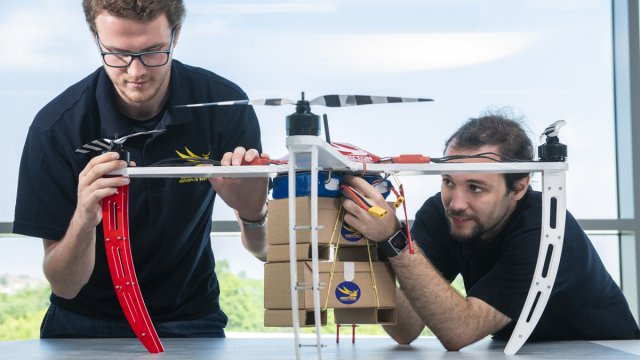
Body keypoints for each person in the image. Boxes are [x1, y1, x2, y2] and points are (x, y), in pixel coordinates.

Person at [12, 0, 269, 338]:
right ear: (96, 39)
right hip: (84, 321)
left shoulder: (223, 106)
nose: (136, 72)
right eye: (117, 54)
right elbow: (65, 286)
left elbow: (264, 251)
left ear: (175, 37)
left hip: (190, 318)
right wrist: (84, 218)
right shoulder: (56, 128)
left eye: (153, 52)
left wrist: (252, 214)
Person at [341, 113, 639, 350]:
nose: (456, 203)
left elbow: (460, 331)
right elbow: (405, 328)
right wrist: (370, 244)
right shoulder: (440, 213)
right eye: (448, 182)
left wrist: (394, 238)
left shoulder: (545, 228)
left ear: (519, 187)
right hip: (514, 349)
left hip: (603, 350)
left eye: (476, 188)